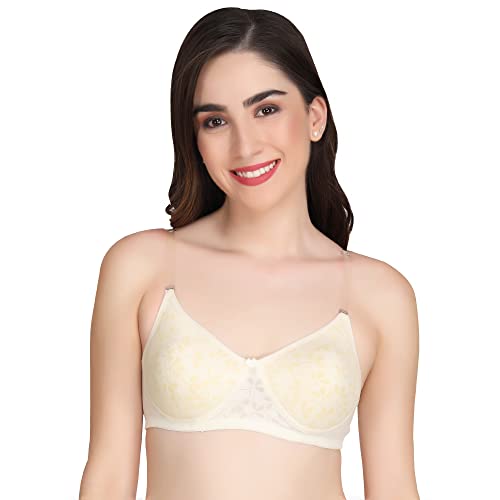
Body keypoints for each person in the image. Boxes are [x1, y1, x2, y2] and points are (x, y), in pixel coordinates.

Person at [79, 7, 420, 500]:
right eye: (216, 121)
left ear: (315, 117)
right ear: (195, 140)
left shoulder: (381, 295)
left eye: (266, 110)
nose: (245, 146)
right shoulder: (141, 267)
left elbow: (394, 488)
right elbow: (108, 476)